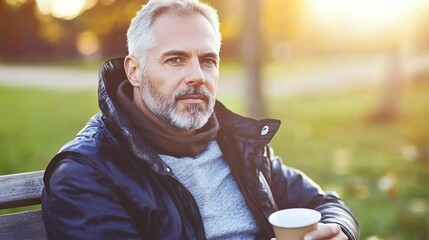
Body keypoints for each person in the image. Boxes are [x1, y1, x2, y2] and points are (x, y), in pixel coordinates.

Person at [41, 0, 359, 239]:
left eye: (208, 60)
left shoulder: (239, 143)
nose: (197, 76)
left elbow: (326, 204)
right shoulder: (85, 172)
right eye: (175, 59)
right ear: (134, 71)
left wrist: (339, 230)